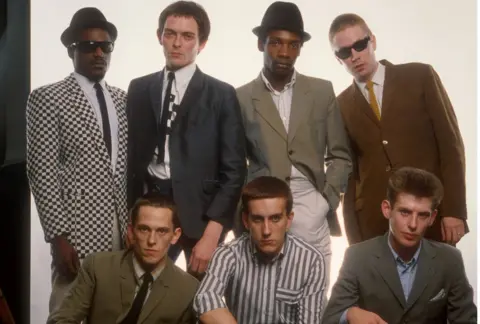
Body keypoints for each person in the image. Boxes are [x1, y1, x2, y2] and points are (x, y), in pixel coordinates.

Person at [126, 0, 246, 278]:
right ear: (160, 37)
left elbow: (235, 170)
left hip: (200, 215)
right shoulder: (139, 88)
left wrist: (214, 232)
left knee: (202, 300)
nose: (177, 43)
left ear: (201, 43)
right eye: (171, 34)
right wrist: (131, 220)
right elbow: (131, 160)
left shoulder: (221, 94)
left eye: (187, 36)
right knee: (141, 295)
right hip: (150, 210)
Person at [235, 1, 351, 284]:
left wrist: (325, 201)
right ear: (261, 44)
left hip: (311, 206)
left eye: (293, 44)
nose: (285, 53)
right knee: (260, 296)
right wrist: (247, 210)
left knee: (311, 296)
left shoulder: (322, 91)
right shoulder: (239, 98)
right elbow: (234, 164)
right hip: (262, 210)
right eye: (276, 43)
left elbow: (340, 155)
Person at [328, 13, 468, 246]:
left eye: (360, 45)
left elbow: (450, 145)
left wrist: (454, 210)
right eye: (344, 52)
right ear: (337, 58)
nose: (354, 56)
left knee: (436, 281)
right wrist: (354, 239)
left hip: (429, 215)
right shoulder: (339, 106)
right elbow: (349, 178)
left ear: (372, 40)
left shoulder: (420, 76)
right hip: (374, 225)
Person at [26, 7, 128, 312]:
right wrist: (59, 237)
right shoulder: (48, 97)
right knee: (66, 311)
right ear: (72, 50)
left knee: (112, 311)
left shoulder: (123, 100)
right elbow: (41, 172)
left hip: (121, 228)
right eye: (88, 46)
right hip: (75, 229)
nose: (98, 53)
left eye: (105, 46)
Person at [322, 167, 477, 324]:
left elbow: (466, 320)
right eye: (405, 212)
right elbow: (330, 318)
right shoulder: (358, 257)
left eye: (423, 215)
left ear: (432, 218)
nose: (413, 224)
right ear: (387, 209)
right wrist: (349, 314)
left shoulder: (449, 260)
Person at [47, 194, 199, 324]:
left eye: (162, 231)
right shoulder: (98, 267)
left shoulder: (188, 289)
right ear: (131, 232)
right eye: (144, 229)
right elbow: (63, 319)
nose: (152, 240)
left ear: (175, 235)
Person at [194, 176, 327, 324]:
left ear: (289, 220)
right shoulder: (228, 254)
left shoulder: (311, 260)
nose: (266, 230)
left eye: (275, 218)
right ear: (246, 221)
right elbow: (205, 297)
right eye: (257, 219)